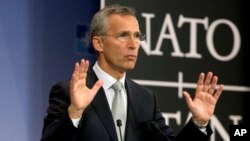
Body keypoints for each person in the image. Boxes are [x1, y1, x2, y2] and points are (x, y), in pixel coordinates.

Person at [41, 4, 224, 141]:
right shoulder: (68, 92)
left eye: (137, 36)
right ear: (98, 43)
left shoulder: (145, 99)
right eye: (123, 35)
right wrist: (75, 112)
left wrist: (199, 123)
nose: (133, 44)